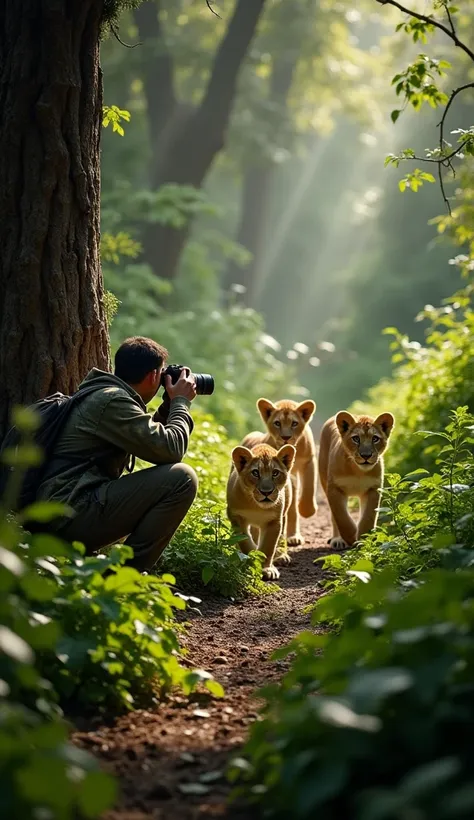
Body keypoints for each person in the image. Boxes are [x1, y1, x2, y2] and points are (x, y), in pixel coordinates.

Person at [37, 336, 198, 571]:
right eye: (161, 374)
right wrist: (181, 401)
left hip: (60, 510)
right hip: (66, 516)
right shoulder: (111, 401)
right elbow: (171, 450)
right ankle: (122, 576)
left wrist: (168, 406)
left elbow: (151, 442)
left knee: (178, 477)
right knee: (182, 479)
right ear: (154, 376)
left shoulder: (104, 394)